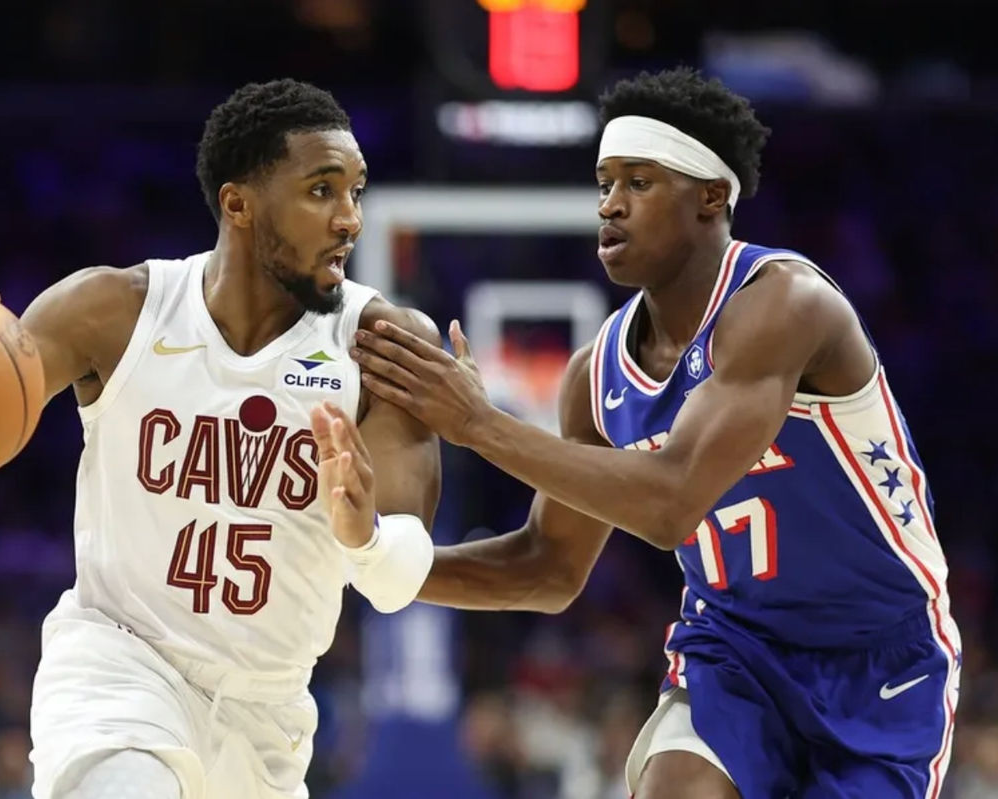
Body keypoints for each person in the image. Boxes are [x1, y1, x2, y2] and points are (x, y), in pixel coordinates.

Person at [328, 67, 961, 798]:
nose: (610, 206)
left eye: (638, 182)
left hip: (880, 657)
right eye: (604, 184)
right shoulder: (593, 375)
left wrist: (479, 423)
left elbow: (671, 504)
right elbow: (546, 567)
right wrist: (377, 560)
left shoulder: (786, 306)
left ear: (711, 198)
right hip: (735, 652)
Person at [0, 79, 443, 799]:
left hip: (268, 715)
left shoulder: (382, 344)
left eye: (356, 192)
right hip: (119, 667)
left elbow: (399, 577)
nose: (349, 218)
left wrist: (364, 535)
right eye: (322, 191)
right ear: (239, 204)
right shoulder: (113, 311)